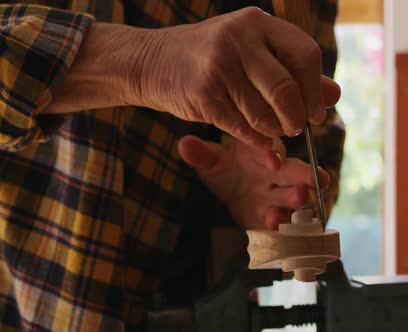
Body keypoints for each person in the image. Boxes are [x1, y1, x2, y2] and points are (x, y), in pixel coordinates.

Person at [0, 0, 345, 331]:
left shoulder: (306, 6)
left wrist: (264, 198)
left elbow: (317, 138)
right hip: (32, 308)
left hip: (203, 304)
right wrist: (147, 61)